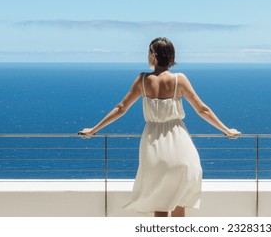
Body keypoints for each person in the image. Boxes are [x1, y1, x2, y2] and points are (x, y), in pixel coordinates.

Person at [78, 37, 241, 217]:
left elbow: (121, 108)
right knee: (180, 201)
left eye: (149, 52)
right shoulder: (179, 79)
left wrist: (94, 129)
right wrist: (227, 130)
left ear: (154, 55)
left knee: (160, 203)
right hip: (179, 143)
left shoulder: (142, 80)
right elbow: (202, 109)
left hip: (153, 145)